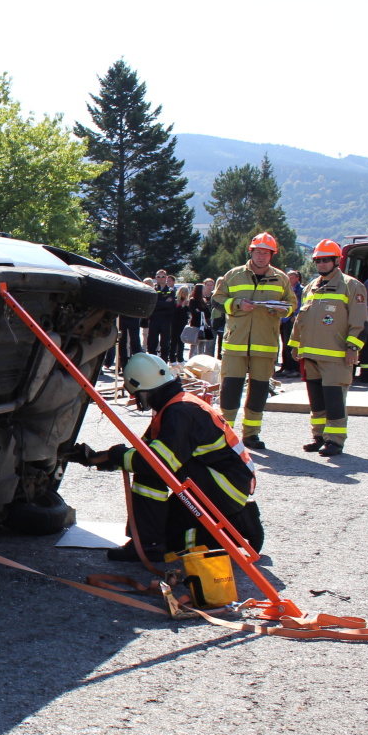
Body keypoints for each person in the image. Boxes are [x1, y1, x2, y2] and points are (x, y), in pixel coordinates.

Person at [68, 353, 263, 564]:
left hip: (225, 489)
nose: (137, 401)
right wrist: (94, 458)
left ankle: (149, 545)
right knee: (167, 536)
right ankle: (234, 523)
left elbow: (154, 462)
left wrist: (117, 455)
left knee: (152, 469)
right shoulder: (174, 406)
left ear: (143, 391)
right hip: (221, 484)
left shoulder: (180, 412)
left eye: (137, 395)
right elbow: (141, 452)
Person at [211, 233, 297, 449]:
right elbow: (217, 299)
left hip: (265, 344)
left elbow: (291, 304)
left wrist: (282, 308)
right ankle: (226, 434)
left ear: (272, 255)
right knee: (230, 390)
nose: (261, 256)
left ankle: (251, 435)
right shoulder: (233, 275)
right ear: (251, 252)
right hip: (235, 344)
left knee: (258, 391)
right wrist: (238, 303)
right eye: (258, 252)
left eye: (266, 253)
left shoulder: (281, 278)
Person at [288, 241, 368, 456]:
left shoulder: (352, 286)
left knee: (334, 399)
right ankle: (319, 436)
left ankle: (335, 440)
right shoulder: (311, 287)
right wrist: (295, 344)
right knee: (316, 400)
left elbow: (360, 321)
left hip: (336, 356)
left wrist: (353, 347)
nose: (321, 264)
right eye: (318, 260)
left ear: (336, 261)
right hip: (311, 354)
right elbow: (300, 319)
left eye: (326, 260)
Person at [277, 270, 304, 377]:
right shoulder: (285, 289)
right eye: (287, 277)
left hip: (292, 320)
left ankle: (295, 368)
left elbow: (301, 304)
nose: (289, 280)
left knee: (292, 345)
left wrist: (295, 316)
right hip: (284, 319)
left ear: (297, 278)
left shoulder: (301, 290)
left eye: (291, 278)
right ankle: (285, 367)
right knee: (284, 344)